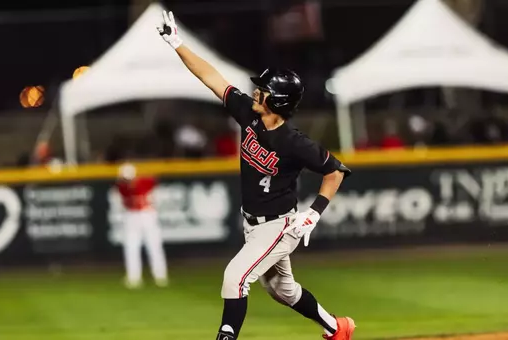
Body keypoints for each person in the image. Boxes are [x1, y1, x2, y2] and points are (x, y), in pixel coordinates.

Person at [157, 11, 354, 340]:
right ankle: (337, 328)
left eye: (264, 91)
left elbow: (335, 171)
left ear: (277, 101)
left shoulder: (294, 143)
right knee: (284, 291)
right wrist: (178, 44)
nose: (257, 93)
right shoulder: (248, 113)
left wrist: (314, 213)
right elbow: (212, 78)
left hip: (279, 225)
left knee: (235, 277)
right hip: (253, 223)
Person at [117, 163, 168, 288]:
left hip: (147, 214)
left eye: (128, 178)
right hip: (132, 215)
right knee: (131, 247)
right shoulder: (122, 186)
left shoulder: (144, 181)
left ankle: (160, 276)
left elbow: (154, 179)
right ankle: (134, 278)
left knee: (154, 246)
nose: (126, 180)